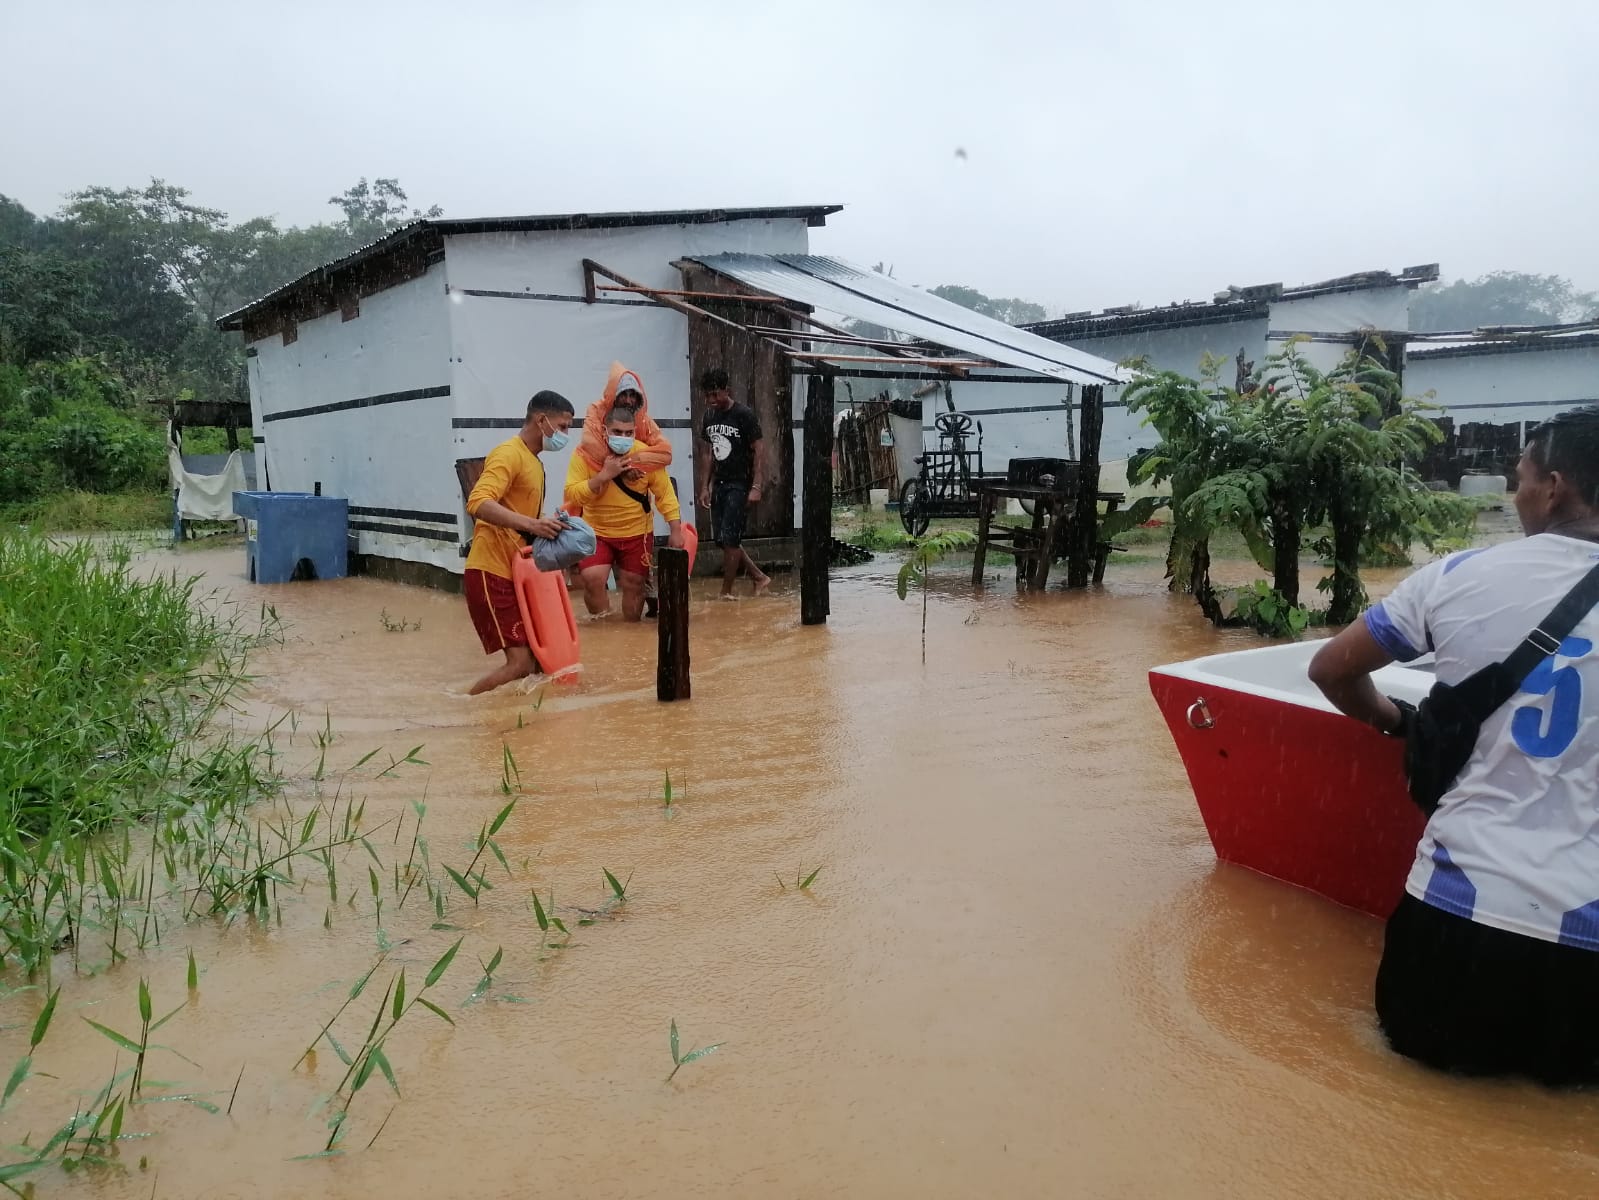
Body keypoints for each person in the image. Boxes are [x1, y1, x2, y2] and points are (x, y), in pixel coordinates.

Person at [1308, 405, 1599, 1084]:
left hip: (1454, 922)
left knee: (1407, 1112)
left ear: (1553, 485)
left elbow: (1331, 669)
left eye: (1519, 477)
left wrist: (1391, 722)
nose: (1515, 492)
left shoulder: (1459, 577)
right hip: (1586, 953)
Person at [461, 389, 575, 695]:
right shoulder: (509, 453)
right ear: (541, 420)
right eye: (562, 427)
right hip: (490, 571)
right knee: (521, 663)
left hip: (517, 574)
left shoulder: (534, 462)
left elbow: (527, 527)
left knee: (543, 661)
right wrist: (532, 523)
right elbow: (478, 501)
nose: (565, 435)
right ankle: (463, 710)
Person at [564, 401, 684, 620]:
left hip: (637, 533)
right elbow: (573, 494)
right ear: (604, 431)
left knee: (634, 584)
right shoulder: (585, 455)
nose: (623, 437)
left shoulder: (646, 455)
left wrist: (675, 528)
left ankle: (629, 632)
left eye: (628, 433)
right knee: (592, 579)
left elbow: (665, 493)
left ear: (635, 432)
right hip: (596, 532)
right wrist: (603, 476)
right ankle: (604, 629)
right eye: (617, 432)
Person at [695, 366, 770, 598]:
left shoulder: (744, 415)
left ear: (727, 391)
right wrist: (704, 486)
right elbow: (707, 454)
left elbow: (759, 450)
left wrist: (757, 485)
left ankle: (726, 592)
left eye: (715, 394)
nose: (711, 400)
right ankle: (759, 578)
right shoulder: (709, 416)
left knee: (730, 538)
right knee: (724, 539)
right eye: (707, 395)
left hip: (740, 483)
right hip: (720, 483)